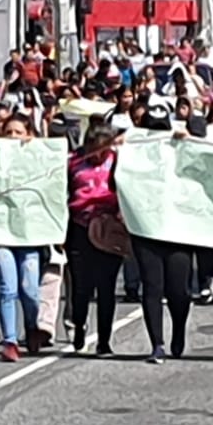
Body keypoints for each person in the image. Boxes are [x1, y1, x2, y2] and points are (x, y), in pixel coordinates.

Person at [127, 104, 194, 364]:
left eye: (160, 130)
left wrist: (189, 142)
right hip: (146, 227)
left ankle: (178, 329)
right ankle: (157, 343)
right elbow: (116, 181)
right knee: (152, 287)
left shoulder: (181, 149)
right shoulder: (133, 153)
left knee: (180, 290)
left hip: (178, 229)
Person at [0, 114, 45, 362]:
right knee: (7, 288)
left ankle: (31, 327)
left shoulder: (40, 160)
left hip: (29, 235)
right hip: (2, 233)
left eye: (18, 132)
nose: (12, 137)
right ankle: (10, 341)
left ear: (29, 134)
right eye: (8, 132)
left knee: (30, 289)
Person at [65, 121, 124, 355]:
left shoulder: (119, 161)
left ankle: (104, 341)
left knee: (106, 288)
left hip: (109, 230)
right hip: (79, 228)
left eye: (104, 149)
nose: (99, 155)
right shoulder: (73, 163)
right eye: (95, 149)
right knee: (81, 288)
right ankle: (78, 325)